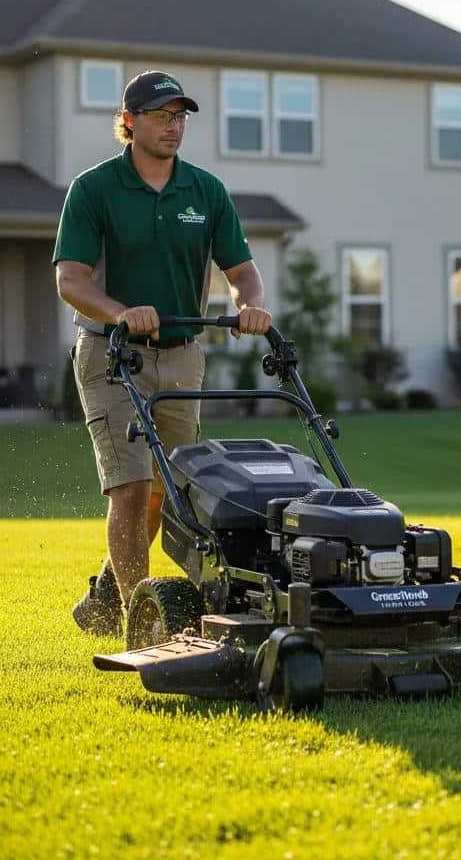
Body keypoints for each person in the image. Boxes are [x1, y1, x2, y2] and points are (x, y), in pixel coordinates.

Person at [53, 70, 272, 635]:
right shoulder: (94, 189)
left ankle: (105, 598)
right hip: (112, 354)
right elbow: (71, 280)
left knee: (171, 491)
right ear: (129, 122)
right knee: (131, 488)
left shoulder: (205, 191)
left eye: (180, 117)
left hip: (181, 356)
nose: (173, 127)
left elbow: (242, 272)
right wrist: (121, 311)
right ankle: (140, 623)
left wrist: (250, 305)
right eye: (160, 116)